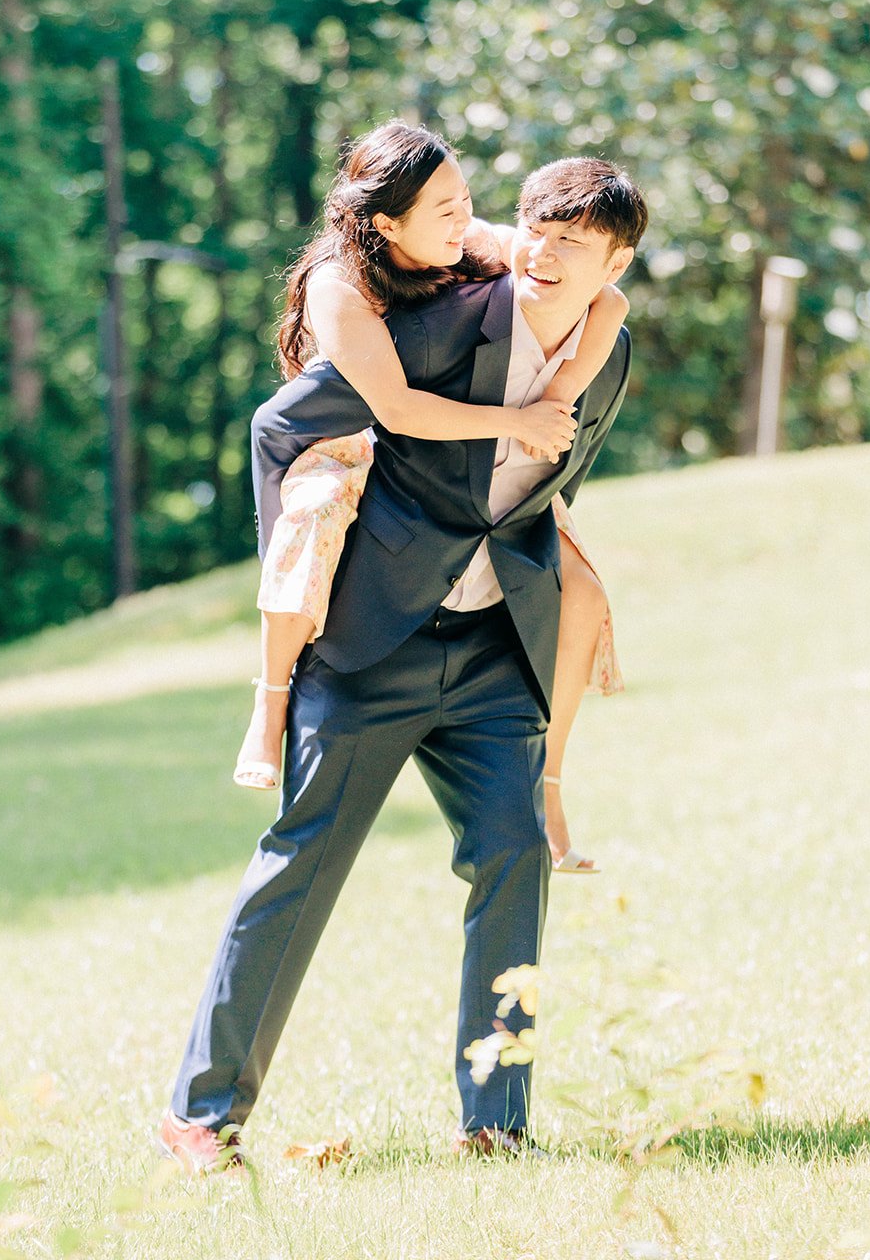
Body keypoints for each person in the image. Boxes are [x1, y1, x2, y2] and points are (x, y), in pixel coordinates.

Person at [159, 133, 647, 1171]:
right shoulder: (427, 334)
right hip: (369, 645)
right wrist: (300, 561)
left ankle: (494, 1124)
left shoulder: (611, 349)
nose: (548, 258)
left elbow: (553, 481)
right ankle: (200, 1117)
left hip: (490, 651)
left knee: (515, 851)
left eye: (579, 245)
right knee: (299, 866)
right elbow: (275, 425)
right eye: (539, 233)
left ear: (616, 268)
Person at [233, 120, 627, 873]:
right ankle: (269, 700)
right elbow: (396, 412)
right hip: (346, 437)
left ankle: (551, 783)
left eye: (467, 199)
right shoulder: (337, 285)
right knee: (312, 523)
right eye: (444, 208)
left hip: (466, 448)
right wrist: (518, 419)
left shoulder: (463, 239)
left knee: (579, 590)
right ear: (387, 222)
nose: (466, 219)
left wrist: (559, 402)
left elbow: (606, 301)